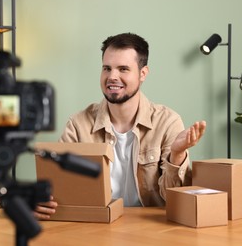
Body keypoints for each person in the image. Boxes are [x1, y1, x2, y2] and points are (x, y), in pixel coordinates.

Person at [34, 32, 206, 219]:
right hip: (96, 225)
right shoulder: (78, 124)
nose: (112, 76)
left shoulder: (167, 122)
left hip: (151, 229)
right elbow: (58, 187)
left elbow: (174, 199)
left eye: (123, 69)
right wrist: (41, 200)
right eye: (107, 68)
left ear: (142, 74)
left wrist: (177, 154)